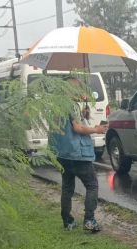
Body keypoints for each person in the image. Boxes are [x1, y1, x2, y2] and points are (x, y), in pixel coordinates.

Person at [49, 77, 109, 233]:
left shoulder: (55, 106)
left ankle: (67, 221)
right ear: (69, 90)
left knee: (67, 187)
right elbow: (77, 128)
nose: (80, 91)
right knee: (92, 185)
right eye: (77, 88)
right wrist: (97, 130)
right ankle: (89, 220)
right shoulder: (72, 105)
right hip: (77, 154)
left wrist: (83, 114)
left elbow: (69, 124)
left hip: (62, 154)